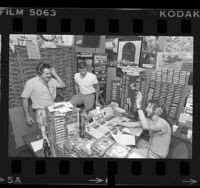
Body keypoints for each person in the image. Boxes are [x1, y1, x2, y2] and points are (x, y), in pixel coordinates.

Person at [21, 62, 65, 140]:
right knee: (46, 136)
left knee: (56, 134)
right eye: (47, 74)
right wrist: (27, 116)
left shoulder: (52, 80)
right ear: (39, 73)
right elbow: (24, 98)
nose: (49, 75)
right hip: (41, 112)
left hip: (53, 110)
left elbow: (62, 85)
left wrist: (55, 74)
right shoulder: (31, 83)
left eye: (50, 73)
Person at [122, 92, 171, 158]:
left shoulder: (162, 124)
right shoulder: (153, 119)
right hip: (150, 146)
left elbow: (145, 126)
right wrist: (117, 123)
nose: (146, 109)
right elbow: (136, 124)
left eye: (149, 107)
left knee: (126, 152)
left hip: (155, 155)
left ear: (157, 111)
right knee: (129, 142)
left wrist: (138, 105)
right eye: (147, 106)